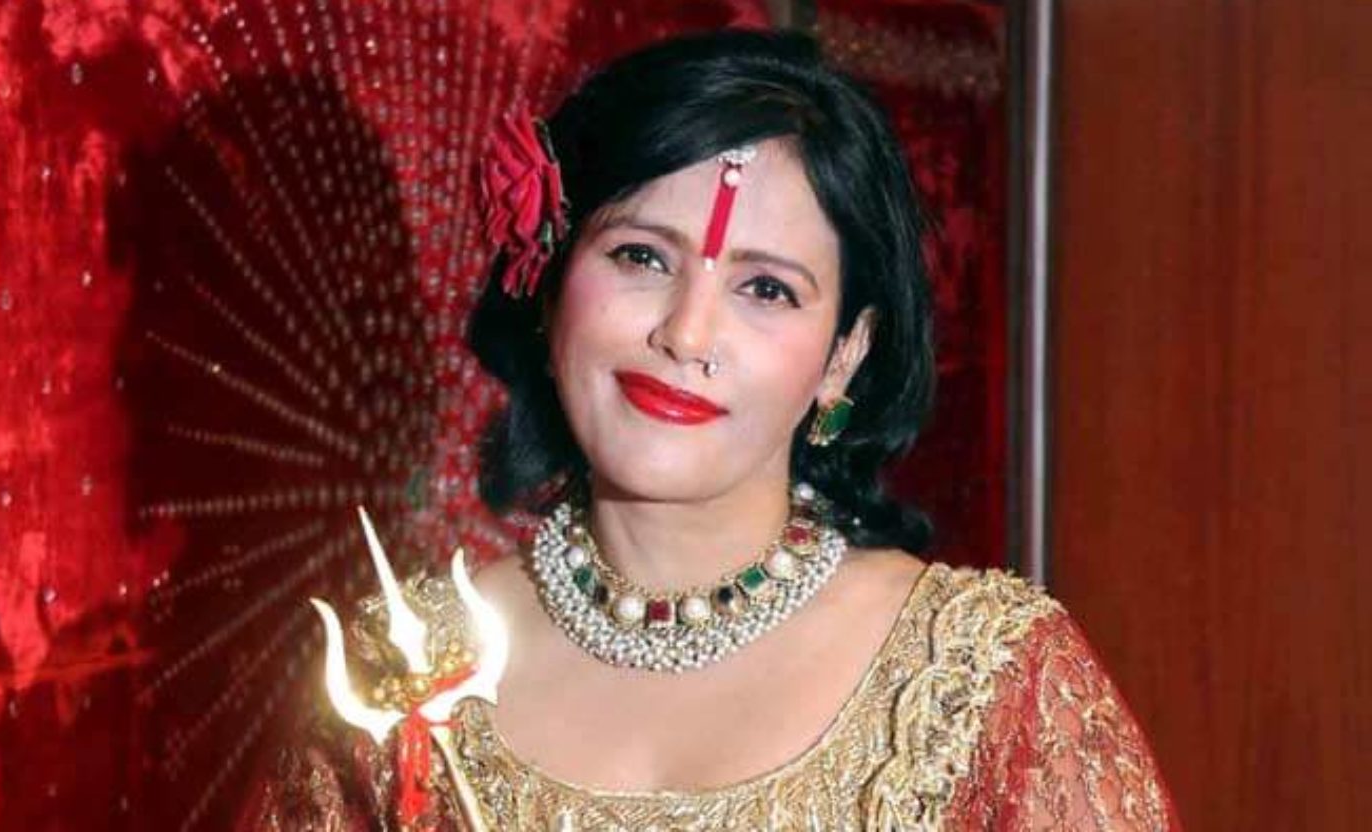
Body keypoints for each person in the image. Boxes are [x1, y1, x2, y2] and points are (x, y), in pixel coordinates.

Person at [281, 27, 1180, 831]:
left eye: (766, 289)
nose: (687, 333)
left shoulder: (981, 680)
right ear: (551, 282)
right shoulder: (405, 676)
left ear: (844, 354)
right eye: (641, 256)